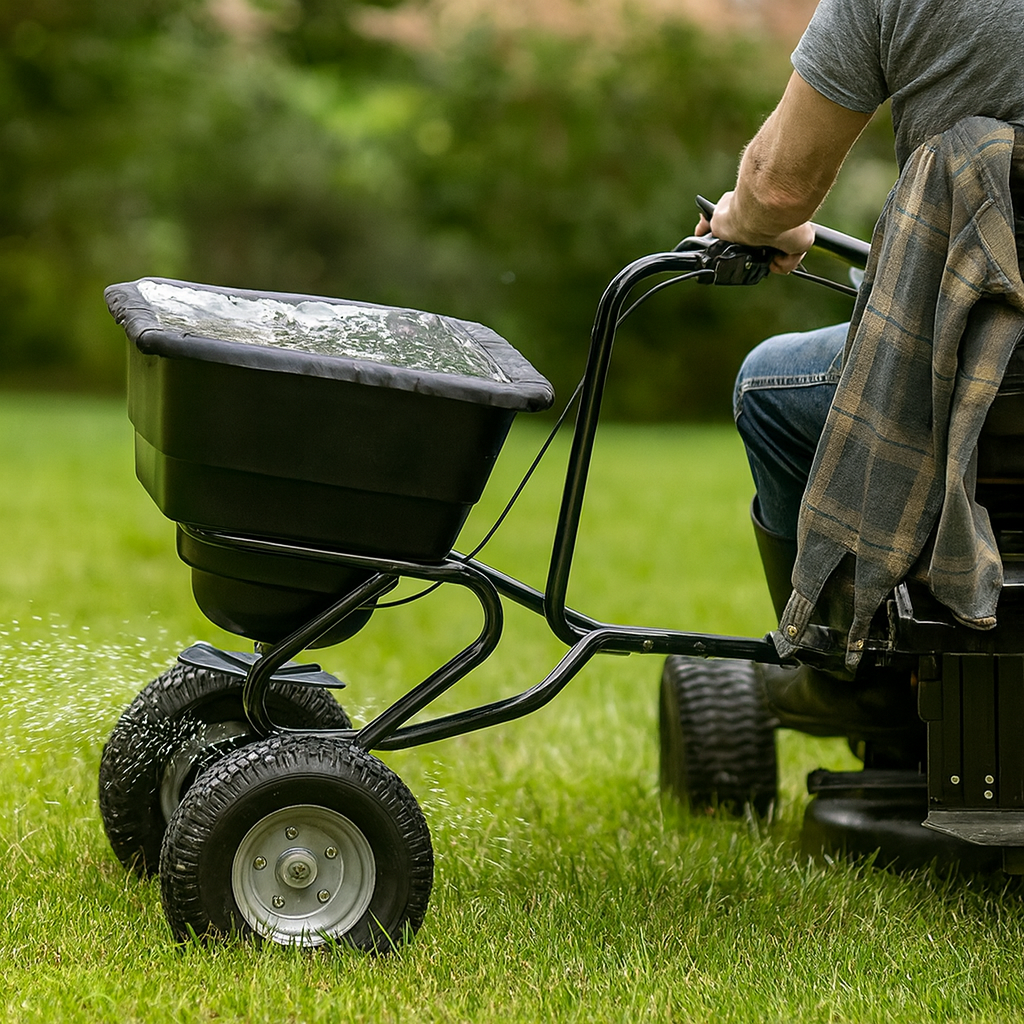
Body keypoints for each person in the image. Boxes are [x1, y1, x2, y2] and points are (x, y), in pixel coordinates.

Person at [698, 0, 1024, 741]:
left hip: (983, 382)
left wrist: (748, 222)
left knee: (767, 387)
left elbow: (778, 188)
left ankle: (841, 667)